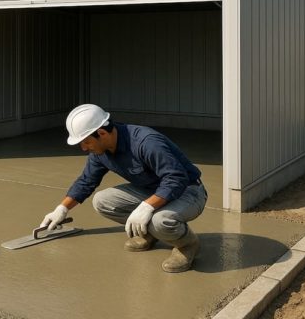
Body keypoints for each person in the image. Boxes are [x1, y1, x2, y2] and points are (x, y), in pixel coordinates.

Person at [40, 103, 207, 273]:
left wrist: (147, 206)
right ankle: (149, 233)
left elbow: (176, 179)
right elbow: (86, 181)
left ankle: (187, 245)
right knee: (102, 201)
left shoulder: (146, 142)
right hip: (153, 190)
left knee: (160, 220)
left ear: (102, 133)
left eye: (86, 142)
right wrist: (61, 209)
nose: (84, 148)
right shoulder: (100, 152)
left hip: (188, 191)